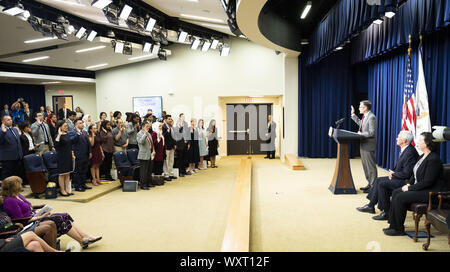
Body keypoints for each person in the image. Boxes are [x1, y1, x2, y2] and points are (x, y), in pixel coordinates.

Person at [2, 176, 102, 249]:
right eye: (19, 184)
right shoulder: (10, 201)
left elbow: (30, 207)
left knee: (65, 215)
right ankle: (82, 240)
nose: (21, 185)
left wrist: (40, 212)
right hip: (29, 223)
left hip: (35, 216)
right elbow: (21, 220)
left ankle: (85, 236)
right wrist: (40, 217)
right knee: (59, 218)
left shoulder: (18, 195)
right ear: (14, 186)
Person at [383, 132, 445, 236]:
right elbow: (414, 174)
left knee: (400, 197)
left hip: (429, 192)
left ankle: (399, 229)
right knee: (396, 192)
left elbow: (428, 181)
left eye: (420, 140)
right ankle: (393, 225)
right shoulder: (422, 156)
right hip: (420, 188)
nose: (417, 142)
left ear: (426, 143)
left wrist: (411, 188)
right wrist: (408, 184)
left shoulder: (434, 159)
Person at [357, 131, 419, 220]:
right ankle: (371, 206)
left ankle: (387, 212)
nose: (396, 138)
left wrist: (394, 175)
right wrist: (393, 172)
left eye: (398, 137)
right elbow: (399, 166)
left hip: (406, 182)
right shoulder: (406, 149)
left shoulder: (410, 152)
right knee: (378, 180)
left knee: (382, 184)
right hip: (399, 177)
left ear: (404, 140)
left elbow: (407, 173)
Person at [351, 100, 377, 193]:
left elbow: (371, 132)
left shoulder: (371, 117)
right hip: (363, 144)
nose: (359, 108)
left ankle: (373, 186)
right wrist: (353, 115)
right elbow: (360, 124)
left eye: (360, 107)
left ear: (365, 108)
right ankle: (369, 184)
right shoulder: (365, 116)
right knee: (365, 166)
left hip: (369, 145)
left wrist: (361, 134)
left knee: (370, 166)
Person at [69, 120, 92, 192]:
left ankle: (83, 184)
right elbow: (72, 141)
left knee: (84, 170)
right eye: (80, 123)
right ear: (76, 125)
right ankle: (77, 186)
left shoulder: (84, 132)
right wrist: (77, 134)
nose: (82, 124)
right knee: (77, 171)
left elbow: (88, 143)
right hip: (77, 155)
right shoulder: (72, 132)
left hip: (85, 154)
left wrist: (90, 152)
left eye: (82, 123)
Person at [54, 120, 74, 197]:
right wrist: (59, 134)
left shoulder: (67, 134)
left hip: (68, 155)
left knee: (67, 173)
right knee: (62, 174)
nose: (66, 127)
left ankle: (66, 189)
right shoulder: (58, 135)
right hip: (61, 156)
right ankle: (62, 190)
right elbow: (56, 145)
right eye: (65, 126)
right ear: (60, 127)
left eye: (67, 126)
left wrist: (72, 153)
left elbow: (70, 145)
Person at [0, 115, 23, 179]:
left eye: (11, 119)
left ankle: (15, 188)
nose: (10, 121)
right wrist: (3, 132)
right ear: (3, 121)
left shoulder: (15, 129)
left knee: (16, 175)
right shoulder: (1, 130)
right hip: (7, 158)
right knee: (7, 176)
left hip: (17, 156)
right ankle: (7, 189)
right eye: (8, 120)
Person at [137, 121, 155, 190]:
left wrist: (153, 150)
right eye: (146, 126)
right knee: (143, 171)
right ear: (142, 127)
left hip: (150, 153)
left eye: (148, 126)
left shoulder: (149, 134)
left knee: (149, 170)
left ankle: (148, 183)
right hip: (143, 154)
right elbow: (141, 142)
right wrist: (145, 133)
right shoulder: (139, 134)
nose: (148, 128)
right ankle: (143, 185)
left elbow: (151, 143)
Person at [163, 115, 177, 181]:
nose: (170, 120)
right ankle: (166, 174)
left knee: (171, 160)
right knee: (166, 161)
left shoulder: (171, 127)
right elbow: (164, 136)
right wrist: (168, 130)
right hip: (166, 146)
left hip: (171, 146)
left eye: (171, 119)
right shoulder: (163, 126)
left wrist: (174, 144)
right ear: (165, 120)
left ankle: (171, 174)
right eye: (169, 119)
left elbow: (173, 136)